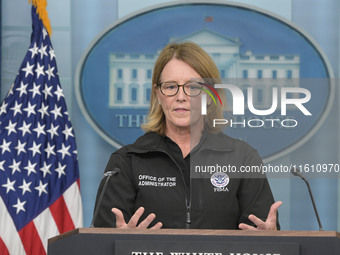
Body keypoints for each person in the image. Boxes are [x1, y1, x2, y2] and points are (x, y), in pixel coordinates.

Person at [93, 41, 281, 230]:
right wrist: (122, 241)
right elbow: (102, 240)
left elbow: (263, 234)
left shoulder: (243, 158)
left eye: (192, 87)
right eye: (170, 86)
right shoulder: (126, 162)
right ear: (158, 94)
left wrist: (270, 238)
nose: (181, 96)